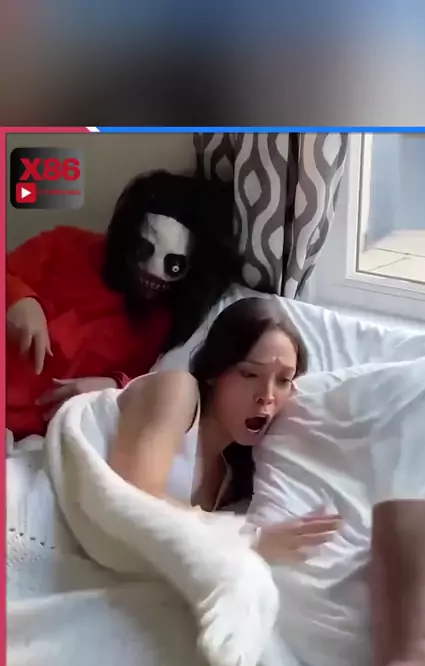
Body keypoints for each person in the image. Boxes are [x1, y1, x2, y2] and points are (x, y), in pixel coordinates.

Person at [6, 169, 242, 440]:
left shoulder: (170, 324)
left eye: (174, 265)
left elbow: (161, 388)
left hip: (34, 432)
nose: (153, 272)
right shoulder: (66, 246)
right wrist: (18, 299)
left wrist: (114, 386)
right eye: (143, 250)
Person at [108, 297, 341, 563]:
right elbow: (132, 498)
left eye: (283, 380)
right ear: (214, 371)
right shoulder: (178, 390)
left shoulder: (233, 480)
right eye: (249, 374)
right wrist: (248, 542)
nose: (267, 396)